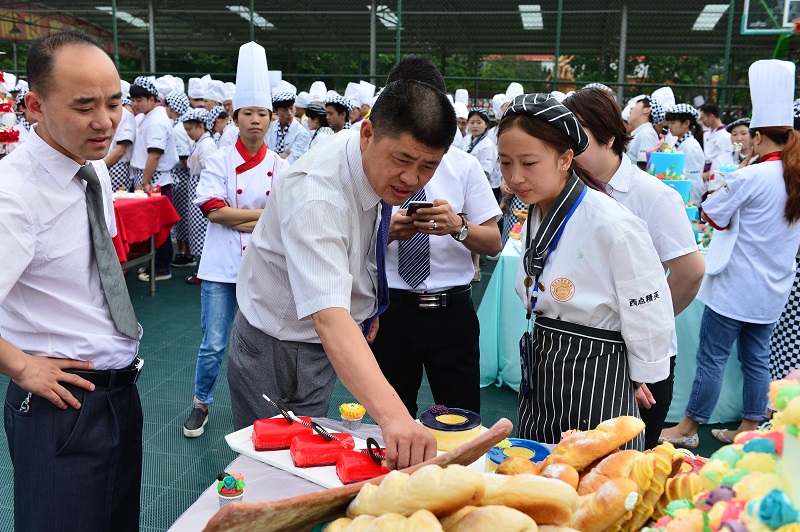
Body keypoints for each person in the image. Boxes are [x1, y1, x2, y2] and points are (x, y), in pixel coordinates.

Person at [231, 56, 458, 470]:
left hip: (318, 346)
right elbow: (329, 318)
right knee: (268, 464)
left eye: (428, 166)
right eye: (402, 160)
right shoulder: (317, 193)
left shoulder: (366, 163)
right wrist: (394, 416)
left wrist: (368, 300)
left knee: (308, 454)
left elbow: (356, 242)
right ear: (368, 132)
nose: (412, 179)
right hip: (277, 344)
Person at [0, 30, 143, 530]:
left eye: (114, 103)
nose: (104, 121)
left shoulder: (90, 167)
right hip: (60, 406)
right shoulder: (14, 196)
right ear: (35, 106)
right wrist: (21, 366)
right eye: (84, 106)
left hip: (116, 393)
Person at [499, 93, 674, 449]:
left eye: (529, 163)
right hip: (544, 358)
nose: (515, 177)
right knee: (538, 464)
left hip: (596, 369)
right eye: (505, 163)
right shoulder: (538, 208)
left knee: (596, 469)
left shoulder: (613, 223)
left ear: (565, 159)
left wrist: (640, 374)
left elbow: (647, 312)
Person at [660, 60, 800, 447]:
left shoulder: (751, 175)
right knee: (757, 358)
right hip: (773, 288)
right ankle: (749, 427)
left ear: (756, 138)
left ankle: (688, 429)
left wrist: (741, 167)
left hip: (736, 285)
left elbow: (711, 213)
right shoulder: (792, 176)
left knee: (713, 357)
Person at [564, 87, 705, 449]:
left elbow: (690, 272)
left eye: (578, 136)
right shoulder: (568, 190)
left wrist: (642, 326)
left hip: (638, 358)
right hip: (581, 353)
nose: (567, 149)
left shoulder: (652, 195)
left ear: (609, 136)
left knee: (630, 460)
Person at [370, 58, 502, 418]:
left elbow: (493, 242)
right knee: (391, 418)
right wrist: (386, 233)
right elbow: (344, 241)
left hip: (451, 312)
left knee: (461, 418)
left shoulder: (463, 165)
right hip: (391, 309)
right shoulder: (371, 165)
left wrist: (458, 226)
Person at [183, 42, 289, 438]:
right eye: (247, 113)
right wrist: (263, 217)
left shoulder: (282, 166)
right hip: (220, 266)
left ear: (271, 119)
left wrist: (242, 218)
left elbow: (286, 217)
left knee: (262, 344)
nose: (255, 120)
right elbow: (213, 211)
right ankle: (201, 403)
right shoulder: (219, 160)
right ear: (235, 117)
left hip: (263, 267)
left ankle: (261, 409)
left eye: (262, 113)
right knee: (213, 342)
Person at [130, 76, 179, 282]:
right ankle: (156, 263)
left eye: (139, 99)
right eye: (133, 99)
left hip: (154, 179)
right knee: (152, 225)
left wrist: (145, 181)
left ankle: (162, 267)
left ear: (152, 99)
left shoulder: (157, 120)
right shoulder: (147, 116)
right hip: (148, 177)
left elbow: (155, 154)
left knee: (160, 226)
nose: (135, 103)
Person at [465, 107, 498, 281]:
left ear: (486, 125)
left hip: (482, 189)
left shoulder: (488, 144)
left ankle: (476, 267)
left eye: (479, 122)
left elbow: (486, 170)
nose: (475, 126)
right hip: (465, 188)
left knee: (477, 226)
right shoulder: (467, 140)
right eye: (472, 122)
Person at [165, 91, 196, 269]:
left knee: (183, 216)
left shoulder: (178, 129)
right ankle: (183, 251)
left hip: (183, 176)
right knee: (182, 216)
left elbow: (184, 159)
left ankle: (187, 254)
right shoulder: (179, 126)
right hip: (184, 175)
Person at [665, 103, 705, 204]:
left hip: (688, 200)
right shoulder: (682, 143)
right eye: (669, 122)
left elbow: (694, 180)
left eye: (673, 123)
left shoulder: (691, 146)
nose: (669, 126)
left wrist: (691, 203)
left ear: (686, 123)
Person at [103, 93, 136, 191]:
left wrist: (101, 167)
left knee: (115, 198)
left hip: (116, 166)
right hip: (104, 164)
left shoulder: (125, 115)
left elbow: (120, 151)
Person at [267, 91, 310, 164]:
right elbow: (264, 153)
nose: (289, 113)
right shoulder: (270, 128)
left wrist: (274, 158)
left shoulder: (302, 132)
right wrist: (283, 156)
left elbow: (295, 159)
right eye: (284, 110)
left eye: (291, 108)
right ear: (276, 111)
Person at [624, 95, 661, 169]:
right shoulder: (641, 133)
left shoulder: (646, 134)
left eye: (636, 105)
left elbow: (645, 168)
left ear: (646, 110)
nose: (631, 108)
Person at [700, 103, 732, 180]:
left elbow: (725, 160)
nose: (702, 121)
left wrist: (708, 173)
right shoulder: (706, 134)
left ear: (712, 117)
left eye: (703, 118)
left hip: (715, 173)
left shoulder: (726, 136)